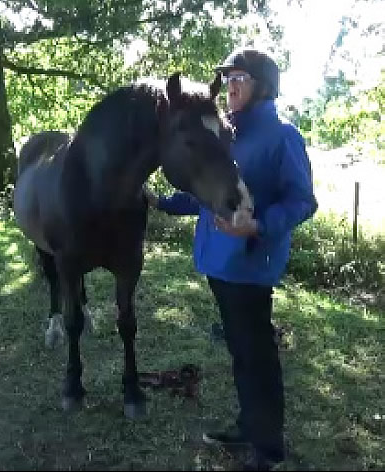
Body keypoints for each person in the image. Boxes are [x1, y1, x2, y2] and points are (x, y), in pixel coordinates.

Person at [144, 48, 318, 470]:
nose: (231, 85)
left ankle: (268, 449)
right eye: (229, 77)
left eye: (240, 77)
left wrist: (257, 226)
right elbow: (208, 196)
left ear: (263, 86)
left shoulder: (282, 137)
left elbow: (303, 202)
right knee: (241, 352)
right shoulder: (225, 134)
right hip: (218, 265)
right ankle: (247, 428)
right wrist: (165, 204)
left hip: (250, 266)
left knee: (257, 356)